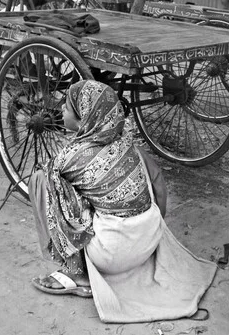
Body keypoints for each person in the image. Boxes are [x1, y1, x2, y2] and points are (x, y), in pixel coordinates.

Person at [29, 81, 217, 324]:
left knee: (42, 180)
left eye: (66, 107)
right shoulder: (128, 142)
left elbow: (50, 183)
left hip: (113, 255)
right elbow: (159, 185)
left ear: (83, 118)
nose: (61, 111)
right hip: (150, 240)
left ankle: (76, 274)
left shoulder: (71, 157)